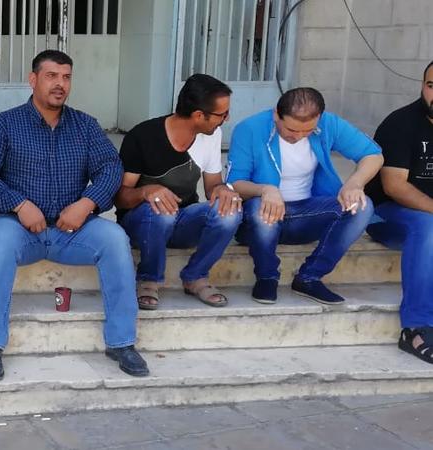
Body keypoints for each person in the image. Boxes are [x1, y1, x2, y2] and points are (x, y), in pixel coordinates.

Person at [0, 50, 147, 380]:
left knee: (114, 238)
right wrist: (19, 204)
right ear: (33, 79)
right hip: (19, 227)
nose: (60, 84)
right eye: (51, 76)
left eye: (66, 77)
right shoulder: (5, 124)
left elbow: (111, 168)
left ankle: (122, 342)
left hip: (71, 230)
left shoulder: (85, 126)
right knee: (1, 241)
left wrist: (86, 204)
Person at [226, 87, 383, 304]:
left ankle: (309, 277)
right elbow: (234, 183)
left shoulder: (328, 124)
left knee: (362, 206)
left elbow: (373, 155)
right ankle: (266, 277)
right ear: (276, 114)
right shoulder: (250, 128)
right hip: (258, 222)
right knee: (258, 206)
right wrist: (266, 190)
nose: (298, 136)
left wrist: (354, 184)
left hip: (306, 215)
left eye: (308, 131)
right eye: (291, 129)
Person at [114, 74, 242, 309]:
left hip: (183, 221)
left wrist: (223, 191)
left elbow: (212, 186)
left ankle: (196, 276)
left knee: (230, 210)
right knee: (162, 211)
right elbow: (120, 198)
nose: (226, 119)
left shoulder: (212, 135)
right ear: (198, 115)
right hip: (142, 224)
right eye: (222, 115)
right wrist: (145, 192)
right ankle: (149, 279)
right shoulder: (142, 136)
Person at [365, 61, 433, 364]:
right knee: (428, 226)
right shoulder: (401, 123)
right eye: (431, 86)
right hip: (386, 213)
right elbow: (394, 186)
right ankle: (416, 327)